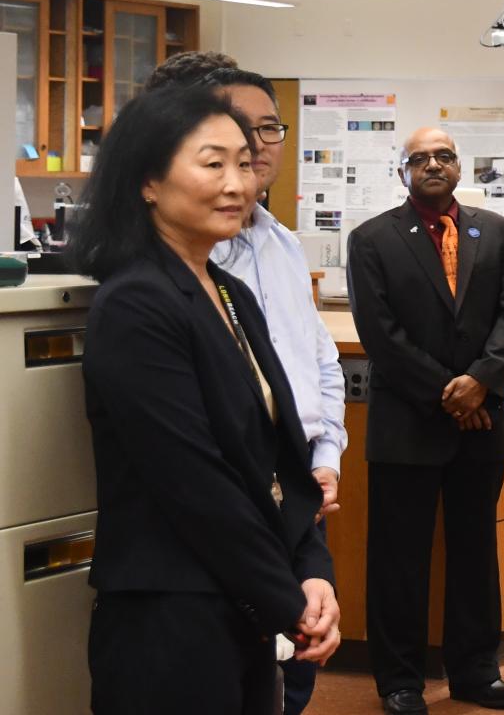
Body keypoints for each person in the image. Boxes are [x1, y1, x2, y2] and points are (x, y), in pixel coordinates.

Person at [74, 85, 340, 713]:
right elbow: (195, 482)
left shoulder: (227, 293)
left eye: (245, 163)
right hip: (170, 615)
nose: (237, 184)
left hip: (239, 602)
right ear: (147, 182)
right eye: (212, 163)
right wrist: (290, 600)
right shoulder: (136, 304)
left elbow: (279, 457)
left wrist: (314, 568)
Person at [148, 59, 347, 715]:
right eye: (234, 136)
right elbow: (196, 456)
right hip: (222, 540)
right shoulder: (165, 282)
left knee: (289, 693)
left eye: (268, 130)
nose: (256, 150)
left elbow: (318, 365)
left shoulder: (281, 245)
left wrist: (323, 463)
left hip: (296, 506)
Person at [347, 127, 504, 714]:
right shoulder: (372, 239)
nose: (432, 164)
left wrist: (482, 383)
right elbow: (381, 335)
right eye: (418, 158)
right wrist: (449, 392)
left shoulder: (498, 232)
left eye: (443, 156)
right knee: (399, 559)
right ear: (401, 171)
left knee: (476, 553)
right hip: (408, 424)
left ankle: (476, 671)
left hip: (482, 423)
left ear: (459, 166)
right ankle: (399, 681)